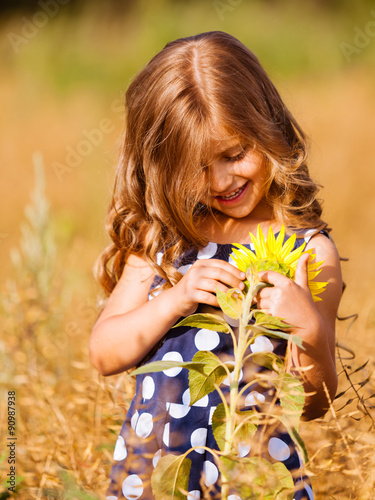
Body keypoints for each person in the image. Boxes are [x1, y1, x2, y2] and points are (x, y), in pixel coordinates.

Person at [90, 31, 342, 500]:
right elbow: (105, 352)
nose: (223, 180)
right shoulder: (163, 237)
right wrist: (176, 299)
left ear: (270, 132)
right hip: (157, 472)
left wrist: (308, 330)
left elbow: (314, 403)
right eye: (198, 167)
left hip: (256, 481)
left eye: (235, 154)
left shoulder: (306, 250)